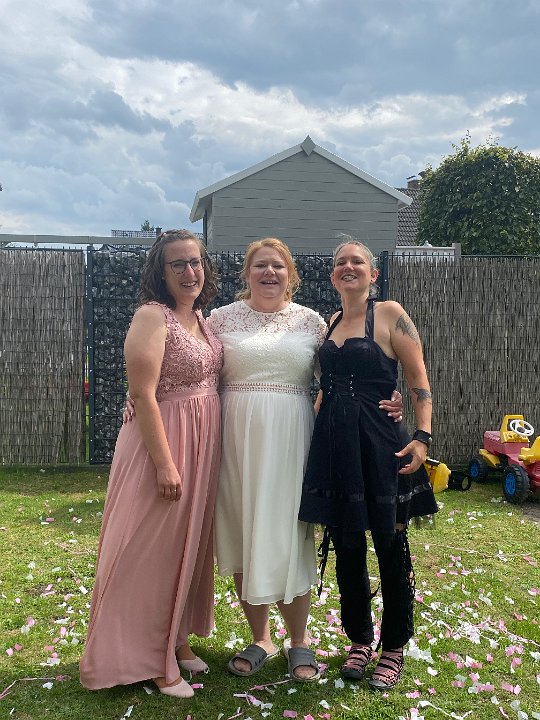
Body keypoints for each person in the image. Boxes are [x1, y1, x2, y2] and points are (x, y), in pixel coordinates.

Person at [124, 236, 403, 682]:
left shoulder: (313, 322)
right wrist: (138, 395)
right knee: (243, 531)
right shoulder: (218, 319)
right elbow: (185, 363)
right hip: (233, 439)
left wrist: (390, 399)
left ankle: (299, 640)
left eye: (278, 266)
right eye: (260, 266)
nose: (269, 272)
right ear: (247, 273)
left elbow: (344, 374)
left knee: (290, 534)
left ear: (291, 274)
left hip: (292, 437)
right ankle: (261, 638)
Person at [80, 230, 223, 698]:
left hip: (201, 445)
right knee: (150, 553)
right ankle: (151, 660)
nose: (189, 271)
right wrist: (164, 464)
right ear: (160, 272)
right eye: (177, 264)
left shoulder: (200, 318)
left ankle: (175, 640)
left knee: (186, 548)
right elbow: (142, 394)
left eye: (195, 261)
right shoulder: (151, 316)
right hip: (162, 447)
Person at [298, 237, 438, 691]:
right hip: (335, 448)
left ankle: (394, 646)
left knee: (390, 546)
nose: (348, 266)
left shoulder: (391, 313)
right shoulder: (332, 322)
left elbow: (417, 377)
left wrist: (421, 436)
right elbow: (328, 383)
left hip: (380, 446)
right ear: (333, 275)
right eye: (340, 262)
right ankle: (359, 640)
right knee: (347, 546)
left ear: (373, 274)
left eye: (357, 261)